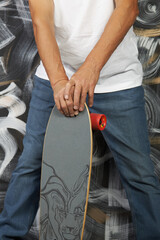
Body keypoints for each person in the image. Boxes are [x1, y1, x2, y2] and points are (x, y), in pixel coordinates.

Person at [0, 0, 160, 239]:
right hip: (56, 76)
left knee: (139, 174)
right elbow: (41, 20)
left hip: (118, 80)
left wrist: (90, 69)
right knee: (32, 165)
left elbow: (128, 9)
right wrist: (58, 82)